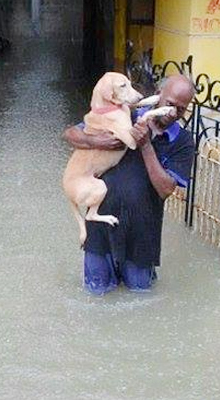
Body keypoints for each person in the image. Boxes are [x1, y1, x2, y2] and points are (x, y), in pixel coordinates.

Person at [63, 74, 195, 294]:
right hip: (100, 229)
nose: (173, 113)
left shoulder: (183, 141)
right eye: (170, 104)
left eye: (181, 110)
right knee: (95, 294)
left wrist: (146, 145)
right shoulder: (124, 112)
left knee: (140, 295)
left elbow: (165, 189)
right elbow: (71, 134)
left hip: (141, 236)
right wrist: (95, 140)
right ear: (158, 94)